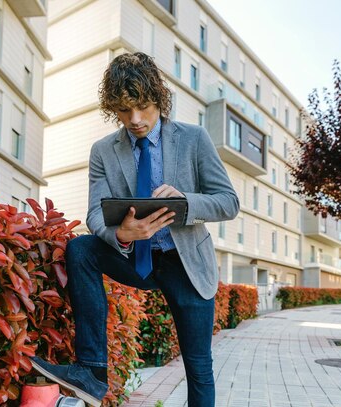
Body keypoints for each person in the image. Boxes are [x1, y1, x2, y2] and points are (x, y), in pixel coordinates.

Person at [31, 52, 239, 407]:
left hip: (184, 262)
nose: (136, 120)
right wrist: (123, 234)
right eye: (124, 111)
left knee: (199, 366)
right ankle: (92, 371)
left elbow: (228, 202)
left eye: (142, 107)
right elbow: (95, 213)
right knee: (81, 248)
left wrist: (186, 201)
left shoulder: (194, 139)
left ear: (158, 99)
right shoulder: (103, 151)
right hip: (133, 256)